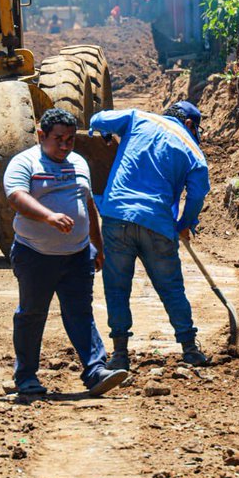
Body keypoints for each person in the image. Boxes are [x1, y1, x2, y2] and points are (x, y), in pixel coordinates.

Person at [3, 108, 129, 397]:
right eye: (58, 139)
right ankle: (26, 378)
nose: (64, 145)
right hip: (35, 255)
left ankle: (96, 371)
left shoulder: (78, 162)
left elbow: (87, 204)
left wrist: (96, 245)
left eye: (70, 139)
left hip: (77, 255)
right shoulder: (24, 163)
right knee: (32, 314)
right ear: (41, 135)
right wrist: (49, 217)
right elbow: (17, 197)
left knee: (80, 313)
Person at [89, 101, 212, 369]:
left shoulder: (137, 118)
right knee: (171, 288)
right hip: (158, 223)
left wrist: (107, 133)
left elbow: (97, 119)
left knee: (117, 287)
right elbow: (198, 194)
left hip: (117, 215)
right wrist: (184, 223)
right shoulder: (194, 151)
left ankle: (120, 354)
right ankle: (190, 349)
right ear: (189, 124)